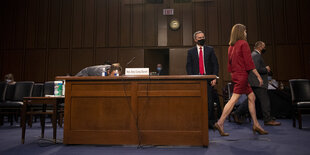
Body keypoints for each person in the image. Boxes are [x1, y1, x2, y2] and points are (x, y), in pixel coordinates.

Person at [214, 24, 268, 136]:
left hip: (236, 75)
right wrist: (258, 76)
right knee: (234, 99)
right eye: (245, 31)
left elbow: (229, 65)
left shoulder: (231, 46)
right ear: (241, 32)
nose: (246, 33)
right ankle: (220, 122)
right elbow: (249, 63)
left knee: (252, 97)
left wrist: (235, 75)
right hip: (242, 75)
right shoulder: (244, 43)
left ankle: (256, 125)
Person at [186, 31, 219, 128]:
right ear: (195, 40)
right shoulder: (190, 51)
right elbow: (189, 67)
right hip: (196, 80)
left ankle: (210, 123)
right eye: (199, 38)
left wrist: (214, 77)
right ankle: (198, 122)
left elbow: (215, 65)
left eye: (203, 37)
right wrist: (192, 80)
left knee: (209, 102)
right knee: (197, 102)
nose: (202, 39)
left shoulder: (210, 50)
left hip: (208, 80)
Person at [247, 41, 281, 126]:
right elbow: (255, 69)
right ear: (260, 47)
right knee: (265, 101)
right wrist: (266, 69)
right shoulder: (256, 55)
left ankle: (237, 113)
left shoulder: (254, 55)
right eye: (264, 46)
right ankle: (267, 120)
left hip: (255, 82)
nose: (264, 48)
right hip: (258, 82)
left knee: (251, 100)